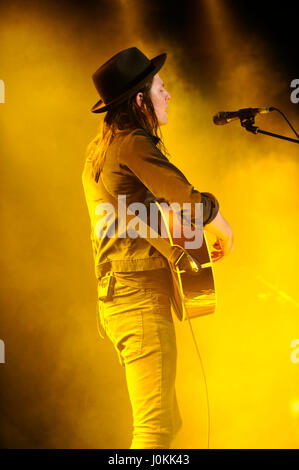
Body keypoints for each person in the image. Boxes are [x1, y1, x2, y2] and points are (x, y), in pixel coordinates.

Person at [82, 47, 234, 449]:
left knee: (167, 424)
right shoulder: (132, 144)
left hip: (122, 299)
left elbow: (139, 217)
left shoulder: (101, 153)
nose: (168, 96)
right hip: (138, 301)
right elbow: (188, 200)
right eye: (160, 89)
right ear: (139, 100)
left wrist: (185, 248)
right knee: (153, 432)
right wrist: (223, 227)